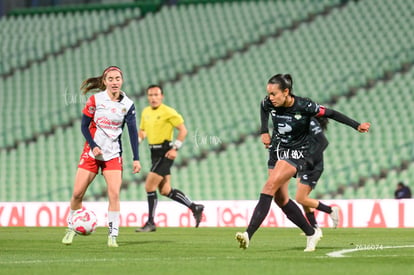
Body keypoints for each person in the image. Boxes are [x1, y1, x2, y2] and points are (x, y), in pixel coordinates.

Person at [235, 74, 370, 252]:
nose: (270, 97)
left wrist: (356, 125)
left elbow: (331, 113)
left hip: (296, 153)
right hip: (276, 151)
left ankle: (248, 234)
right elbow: (263, 107)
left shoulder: (305, 106)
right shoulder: (268, 102)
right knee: (280, 199)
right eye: (269, 93)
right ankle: (310, 232)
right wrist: (263, 131)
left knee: (269, 186)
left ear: (286, 92)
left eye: (274, 94)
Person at [62, 66, 141, 247]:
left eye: (117, 78)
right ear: (105, 81)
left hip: (113, 155)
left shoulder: (128, 105)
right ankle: (70, 228)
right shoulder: (95, 100)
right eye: (111, 79)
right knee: (77, 193)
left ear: (122, 80)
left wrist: (136, 158)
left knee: (114, 194)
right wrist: (94, 145)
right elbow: (84, 126)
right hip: (91, 153)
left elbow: (132, 133)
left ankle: (112, 236)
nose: (114, 82)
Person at [135, 84, 204, 232]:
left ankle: (151, 222)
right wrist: (138, 141)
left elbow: (183, 130)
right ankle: (195, 207)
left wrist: (175, 148)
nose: (153, 98)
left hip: (165, 152)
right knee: (165, 190)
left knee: (149, 186)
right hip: (153, 152)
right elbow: (143, 131)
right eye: (150, 95)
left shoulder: (168, 112)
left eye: (156, 95)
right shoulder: (146, 112)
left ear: (162, 96)